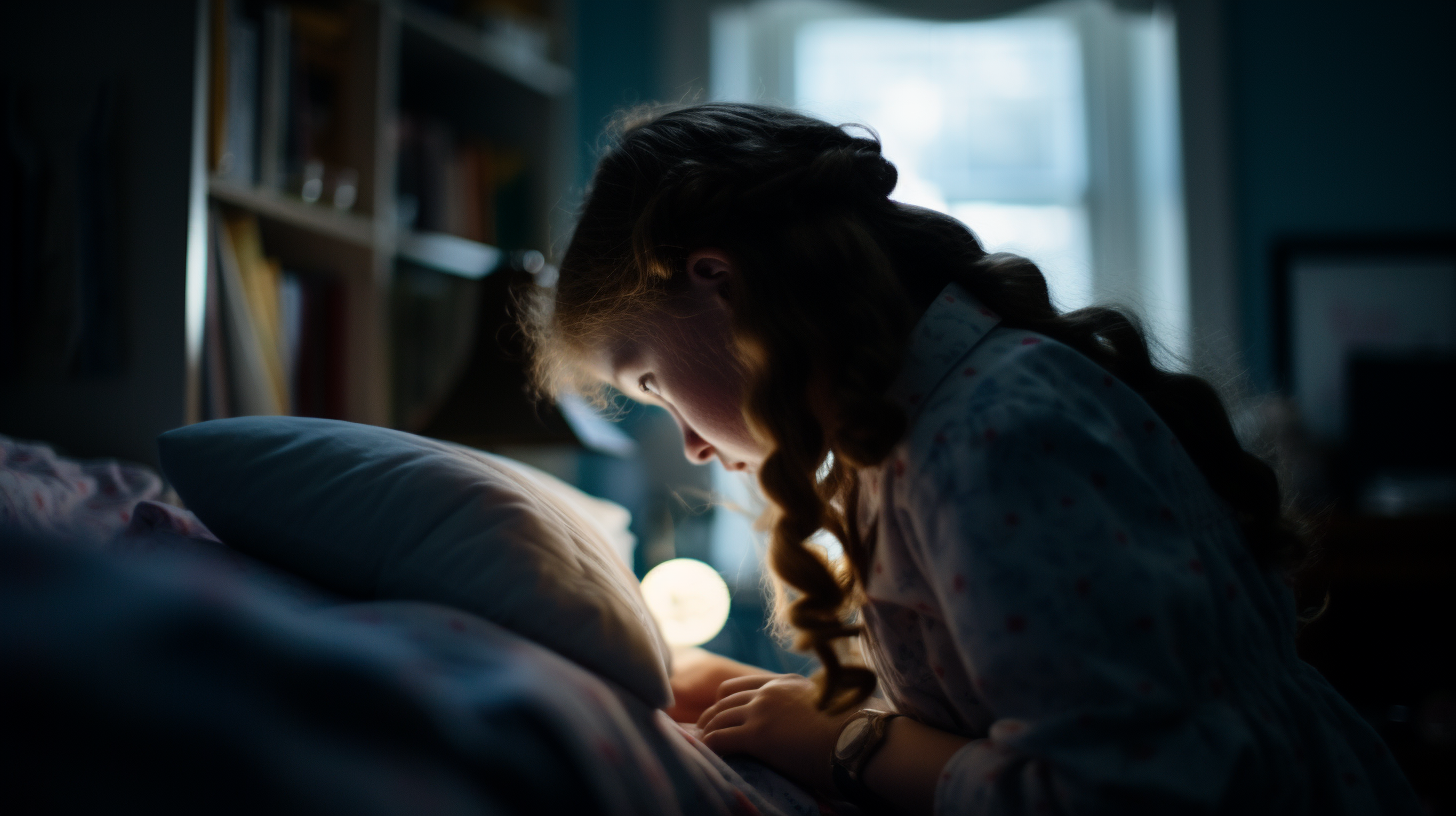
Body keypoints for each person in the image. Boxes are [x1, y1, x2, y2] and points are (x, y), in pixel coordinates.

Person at [525, 103, 1420, 815]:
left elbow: (1124, 791)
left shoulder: (993, 441)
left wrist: (844, 745)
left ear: (718, 283)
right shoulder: (921, 425)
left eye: (650, 383)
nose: (685, 439)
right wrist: (798, 708)